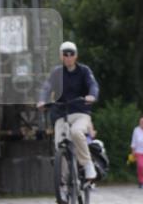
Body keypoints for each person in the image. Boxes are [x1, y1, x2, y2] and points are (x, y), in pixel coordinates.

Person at [37, 41, 100, 184]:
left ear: (76, 56)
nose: (68, 57)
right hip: (61, 113)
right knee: (59, 144)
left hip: (81, 112)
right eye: (65, 54)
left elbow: (93, 85)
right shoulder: (56, 72)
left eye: (71, 54)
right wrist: (42, 100)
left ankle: (87, 164)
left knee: (76, 132)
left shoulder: (84, 71)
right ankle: (64, 181)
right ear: (61, 56)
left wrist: (92, 95)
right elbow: (47, 87)